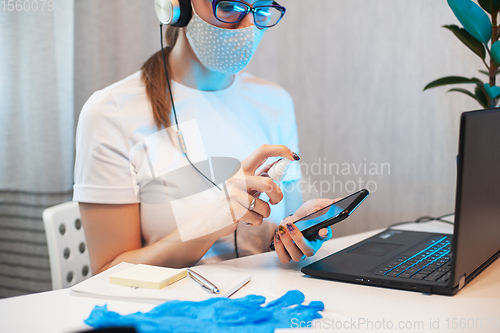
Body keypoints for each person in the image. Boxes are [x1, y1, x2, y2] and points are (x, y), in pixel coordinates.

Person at [74, 0, 336, 275]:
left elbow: (281, 227)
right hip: (167, 310)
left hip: (264, 303)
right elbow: (107, 273)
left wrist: (298, 230)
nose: (248, 27)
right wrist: (213, 221)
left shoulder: (275, 102)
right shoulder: (111, 112)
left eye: (260, 11)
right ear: (176, 7)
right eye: (228, 6)